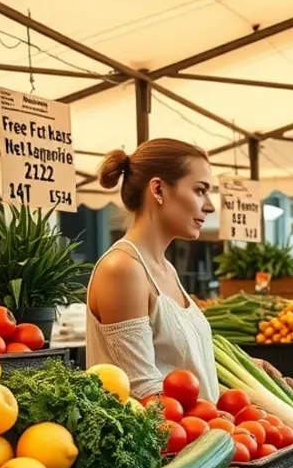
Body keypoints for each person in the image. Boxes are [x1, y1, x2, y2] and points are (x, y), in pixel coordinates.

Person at [86, 138, 219, 401]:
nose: (210, 205)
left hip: (202, 435)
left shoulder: (166, 269)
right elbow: (144, 391)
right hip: (173, 438)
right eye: (200, 190)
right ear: (158, 189)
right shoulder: (122, 269)